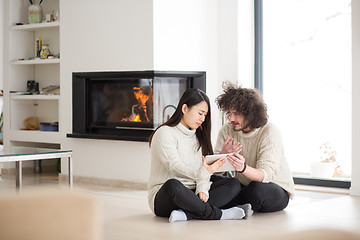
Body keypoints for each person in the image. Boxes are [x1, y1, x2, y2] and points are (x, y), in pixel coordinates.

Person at [148, 88, 248, 223]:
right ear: (184, 108)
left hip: (192, 192)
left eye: (205, 115)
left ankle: (186, 214)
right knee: (173, 185)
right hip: (167, 196)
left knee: (233, 184)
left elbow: (203, 171)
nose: (202, 119)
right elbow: (174, 166)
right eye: (200, 113)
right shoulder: (165, 133)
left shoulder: (199, 136)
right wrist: (204, 174)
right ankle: (218, 214)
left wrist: (202, 188)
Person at [214, 83, 295, 213]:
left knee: (256, 191)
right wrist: (222, 156)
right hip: (243, 185)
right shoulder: (226, 130)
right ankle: (235, 206)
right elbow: (215, 172)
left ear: (251, 113)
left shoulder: (270, 132)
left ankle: (228, 204)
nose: (231, 118)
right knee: (213, 181)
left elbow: (266, 175)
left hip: (274, 187)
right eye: (229, 113)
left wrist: (243, 168)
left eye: (237, 113)